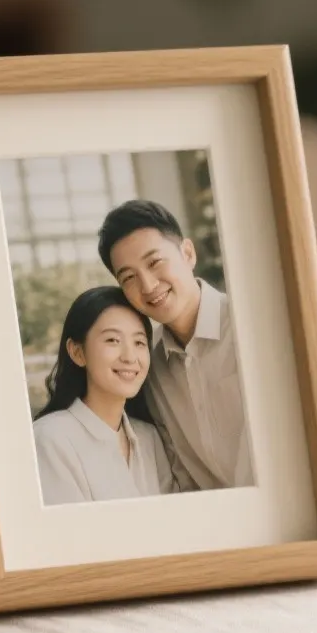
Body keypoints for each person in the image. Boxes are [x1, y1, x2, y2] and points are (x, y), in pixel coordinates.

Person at [97, 198, 253, 491]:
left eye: (154, 263)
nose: (148, 285)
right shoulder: (149, 366)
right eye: (129, 277)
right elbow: (179, 467)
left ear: (188, 253)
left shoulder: (251, 326)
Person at [32, 286, 176, 506]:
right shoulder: (50, 438)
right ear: (77, 352)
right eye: (112, 340)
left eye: (139, 342)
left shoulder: (149, 437)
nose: (130, 357)